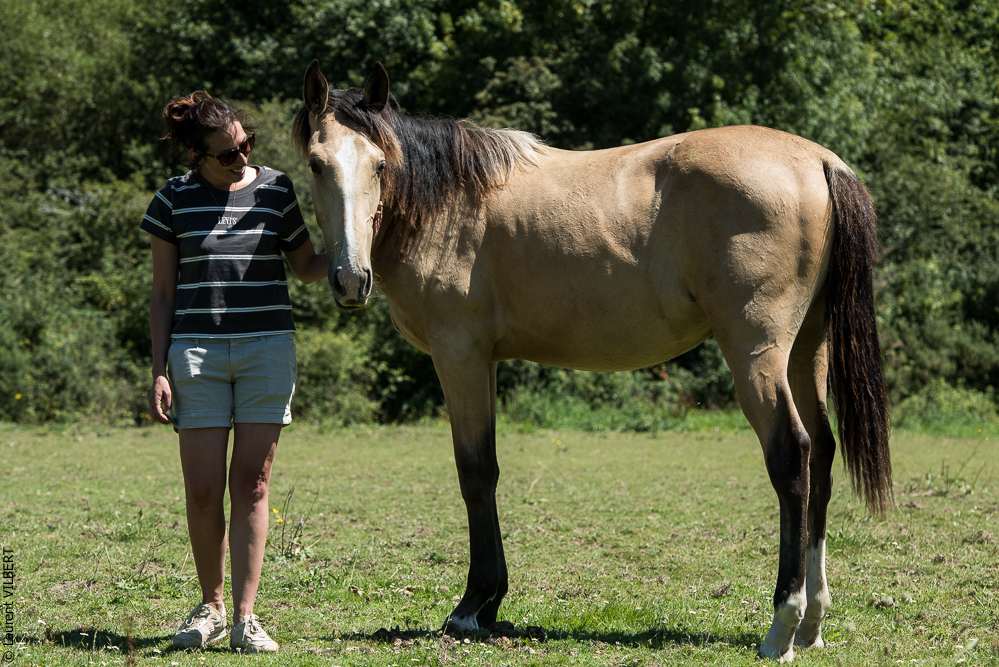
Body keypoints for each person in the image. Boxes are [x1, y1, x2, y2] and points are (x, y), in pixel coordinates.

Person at [142, 91, 326, 653]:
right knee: (202, 490)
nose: (242, 157)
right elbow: (163, 293)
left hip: (266, 349)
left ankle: (246, 618)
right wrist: (158, 368)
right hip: (194, 354)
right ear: (196, 156)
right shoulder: (171, 200)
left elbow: (308, 268)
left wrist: (359, 246)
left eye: (247, 144)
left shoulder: (275, 190)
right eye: (227, 153)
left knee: (252, 484)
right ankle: (212, 608)